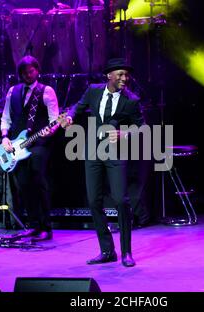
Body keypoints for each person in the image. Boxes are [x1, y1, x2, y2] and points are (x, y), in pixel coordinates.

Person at [63, 58, 145, 267]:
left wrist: (124, 133)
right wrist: (70, 117)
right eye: (120, 74)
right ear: (109, 75)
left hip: (116, 153)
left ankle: (126, 252)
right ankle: (107, 250)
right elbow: (77, 108)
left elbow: (143, 128)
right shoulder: (93, 91)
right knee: (93, 201)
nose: (124, 78)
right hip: (93, 152)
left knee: (120, 200)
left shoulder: (131, 100)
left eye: (126, 75)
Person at [0, 55, 59, 241]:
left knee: (38, 182)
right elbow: (5, 118)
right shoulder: (13, 91)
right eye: (24, 72)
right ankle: (33, 224)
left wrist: (49, 131)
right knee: (24, 185)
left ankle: (46, 227)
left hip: (39, 144)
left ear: (37, 70)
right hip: (18, 145)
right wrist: (4, 137)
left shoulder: (46, 91)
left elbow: (55, 120)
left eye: (31, 71)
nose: (28, 74)